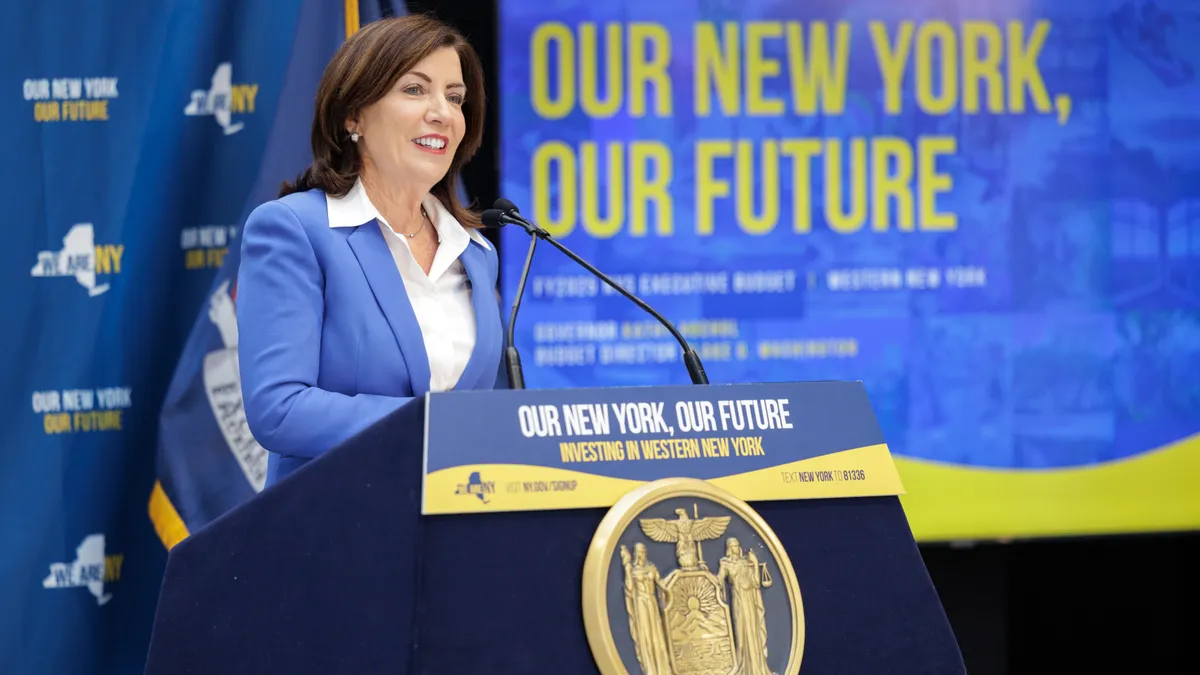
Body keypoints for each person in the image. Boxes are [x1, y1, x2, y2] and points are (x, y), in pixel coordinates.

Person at [236, 15, 502, 488]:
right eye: (415, 90)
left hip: (455, 534)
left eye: (455, 97)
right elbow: (280, 409)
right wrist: (437, 429)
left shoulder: (476, 252)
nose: (442, 111)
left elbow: (487, 409)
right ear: (353, 116)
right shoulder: (295, 230)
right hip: (335, 535)